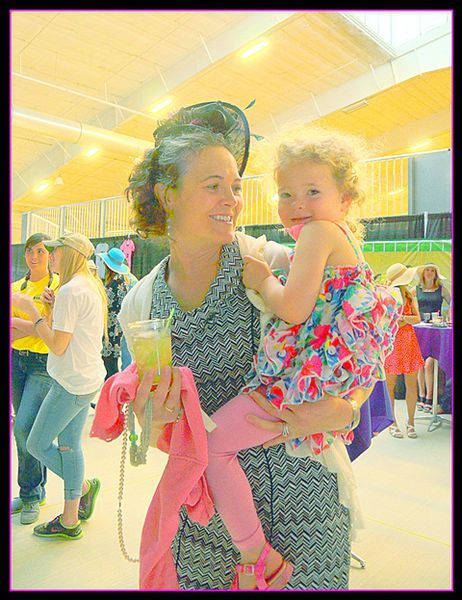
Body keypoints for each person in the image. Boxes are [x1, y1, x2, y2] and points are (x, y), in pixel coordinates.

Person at [119, 101, 377, 591]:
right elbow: (145, 435)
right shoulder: (141, 304)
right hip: (207, 526)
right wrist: (153, 416)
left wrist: (347, 410)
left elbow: (360, 345)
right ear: (167, 194)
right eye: (213, 186)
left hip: (308, 508)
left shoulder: (275, 262)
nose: (232, 200)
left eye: (235, 187)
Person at [202, 131, 401, 589]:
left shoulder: (318, 232)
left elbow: (292, 308)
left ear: (345, 198)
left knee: (214, 447)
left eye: (313, 192)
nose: (298, 204)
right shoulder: (339, 239)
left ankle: (256, 553)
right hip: (317, 382)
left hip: (295, 381)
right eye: (286, 193)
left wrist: (263, 280)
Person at [11, 233, 107, 540]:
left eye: (54, 251)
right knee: (68, 446)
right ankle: (69, 519)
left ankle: (82, 488)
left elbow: (57, 344)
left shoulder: (71, 290)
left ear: (70, 254)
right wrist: (50, 311)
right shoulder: (85, 286)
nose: (49, 256)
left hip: (70, 382)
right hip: (84, 378)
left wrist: (33, 311)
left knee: (36, 443)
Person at [11, 233, 60, 524]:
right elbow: (17, 327)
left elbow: (55, 328)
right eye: (30, 251)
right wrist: (37, 325)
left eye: (41, 251)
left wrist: (25, 324)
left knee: (24, 428)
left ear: (50, 255)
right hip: (16, 361)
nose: (34, 256)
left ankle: (29, 494)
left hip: (44, 364)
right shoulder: (16, 287)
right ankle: (36, 489)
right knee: (29, 429)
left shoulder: (57, 287)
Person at [384, 263, 425, 439]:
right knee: (390, 386)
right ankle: (392, 422)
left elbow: (417, 318)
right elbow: (383, 320)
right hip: (392, 342)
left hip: (408, 342)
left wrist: (404, 319)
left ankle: (411, 422)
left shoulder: (409, 296)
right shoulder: (386, 296)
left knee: (411, 384)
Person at [411, 263, 451, 412]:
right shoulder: (415, 290)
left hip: (435, 330)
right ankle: (421, 396)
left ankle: (429, 397)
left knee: (429, 364)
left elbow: (451, 302)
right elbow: (405, 301)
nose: (429, 272)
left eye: (432, 270)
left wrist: (448, 316)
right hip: (419, 329)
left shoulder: (441, 290)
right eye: (427, 270)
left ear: (436, 273)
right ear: (423, 273)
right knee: (419, 363)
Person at [99, 247, 138, 380]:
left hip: (112, 329)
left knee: (110, 365)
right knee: (118, 363)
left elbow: (104, 303)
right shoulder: (128, 280)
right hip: (122, 326)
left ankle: (112, 397)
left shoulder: (115, 282)